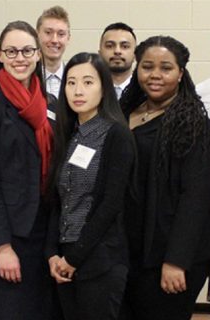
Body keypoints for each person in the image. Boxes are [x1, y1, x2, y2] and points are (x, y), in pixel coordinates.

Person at [118, 36, 210, 320]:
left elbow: (196, 198)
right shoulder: (124, 113)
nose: (155, 75)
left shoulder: (194, 125)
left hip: (172, 254)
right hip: (131, 248)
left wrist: (176, 260)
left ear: (180, 74)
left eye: (165, 68)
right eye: (147, 66)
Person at [0, 21, 55, 320]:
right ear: (0, 55)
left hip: (44, 231)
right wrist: (2, 246)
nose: (20, 57)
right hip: (10, 234)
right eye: (12, 51)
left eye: (27, 50)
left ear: (37, 55)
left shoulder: (49, 104)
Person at [45, 53, 135, 320]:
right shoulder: (69, 135)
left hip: (100, 259)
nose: (78, 91)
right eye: (71, 83)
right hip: (65, 256)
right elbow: (60, 200)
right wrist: (52, 253)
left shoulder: (116, 134)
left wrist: (74, 258)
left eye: (87, 82)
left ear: (103, 87)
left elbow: (110, 204)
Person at [37, 6, 72, 102]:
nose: (54, 40)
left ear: (68, 38)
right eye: (48, 32)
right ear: (37, 35)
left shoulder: (75, 80)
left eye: (61, 34)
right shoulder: (27, 79)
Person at [97, 22, 137, 99]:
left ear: (135, 54)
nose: (117, 51)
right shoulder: (89, 91)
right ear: (100, 54)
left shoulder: (144, 92)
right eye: (110, 46)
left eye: (125, 46)